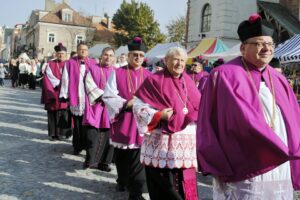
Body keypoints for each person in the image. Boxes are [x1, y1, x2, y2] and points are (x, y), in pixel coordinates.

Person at [196, 13, 300, 199]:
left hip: (280, 164)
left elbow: (295, 119)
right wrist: (215, 159)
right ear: (243, 48)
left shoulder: (279, 79)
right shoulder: (224, 75)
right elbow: (208, 121)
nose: (266, 49)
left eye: (270, 44)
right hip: (243, 164)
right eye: (259, 43)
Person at [133, 47, 200, 200]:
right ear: (166, 61)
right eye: (176, 59)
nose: (179, 63)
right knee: (164, 183)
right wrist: (159, 115)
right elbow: (138, 107)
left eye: (182, 60)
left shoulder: (188, 81)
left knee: (185, 182)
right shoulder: (154, 80)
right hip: (161, 142)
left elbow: (199, 105)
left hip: (185, 144)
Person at [102, 37, 151, 200]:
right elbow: (108, 96)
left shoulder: (150, 76)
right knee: (122, 157)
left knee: (139, 157)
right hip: (124, 120)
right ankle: (122, 180)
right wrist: (126, 104)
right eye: (135, 55)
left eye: (141, 55)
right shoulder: (117, 73)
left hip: (142, 123)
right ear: (128, 55)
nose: (138, 58)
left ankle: (136, 192)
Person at [60, 42, 97, 155]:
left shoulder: (93, 62)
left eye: (85, 49)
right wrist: (64, 95)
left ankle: (87, 145)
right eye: (81, 49)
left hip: (88, 98)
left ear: (88, 51)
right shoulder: (70, 62)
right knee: (77, 125)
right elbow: (65, 78)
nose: (83, 51)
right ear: (77, 50)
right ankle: (77, 146)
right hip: (76, 97)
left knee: (87, 124)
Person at [82, 47, 115, 171]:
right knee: (92, 136)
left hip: (110, 108)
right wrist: (103, 96)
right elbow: (88, 83)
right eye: (106, 54)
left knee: (109, 136)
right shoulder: (93, 68)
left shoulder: (117, 71)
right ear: (101, 56)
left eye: (111, 55)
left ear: (114, 58)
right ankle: (90, 160)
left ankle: (104, 163)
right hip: (96, 106)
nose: (108, 57)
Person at [41, 43, 72, 140]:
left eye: (63, 53)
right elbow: (49, 76)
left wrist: (66, 87)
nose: (61, 55)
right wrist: (60, 84)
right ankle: (54, 134)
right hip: (54, 91)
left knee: (64, 113)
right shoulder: (50, 64)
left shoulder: (70, 63)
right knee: (53, 113)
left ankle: (64, 133)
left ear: (66, 54)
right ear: (56, 54)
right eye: (59, 53)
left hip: (66, 92)